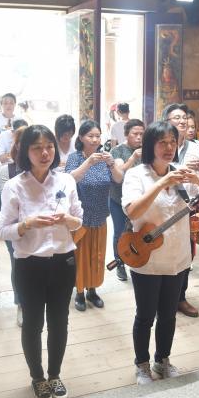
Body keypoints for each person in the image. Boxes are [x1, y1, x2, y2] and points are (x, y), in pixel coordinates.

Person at [123, 121, 199, 384]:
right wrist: (161, 182)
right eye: (162, 142)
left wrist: (197, 178)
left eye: (172, 142)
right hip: (147, 260)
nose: (169, 147)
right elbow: (132, 211)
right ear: (150, 146)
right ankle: (142, 364)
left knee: (167, 315)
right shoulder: (137, 175)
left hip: (177, 258)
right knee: (145, 315)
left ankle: (162, 359)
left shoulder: (180, 173)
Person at [0, 125, 83, 398]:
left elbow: (79, 221)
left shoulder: (66, 181)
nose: (45, 152)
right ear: (26, 152)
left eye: (49, 146)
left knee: (59, 321)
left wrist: (66, 220)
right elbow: (4, 230)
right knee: (33, 323)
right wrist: (27, 224)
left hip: (64, 260)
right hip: (29, 264)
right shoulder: (14, 186)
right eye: (37, 147)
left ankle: (55, 374)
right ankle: (37, 377)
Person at [65, 120, 123, 311]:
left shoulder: (105, 157)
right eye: (90, 136)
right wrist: (88, 162)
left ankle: (92, 289)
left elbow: (118, 179)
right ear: (81, 138)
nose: (95, 139)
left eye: (98, 136)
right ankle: (80, 292)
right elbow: (69, 179)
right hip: (80, 217)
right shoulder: (75, 158)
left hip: (100, 215)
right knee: (80, 256)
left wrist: (112, 163)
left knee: (97, 255)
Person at [164, 103, 199, 318]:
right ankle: (160, 299)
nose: (182, 121)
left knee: (187, 256)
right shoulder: (160, 145)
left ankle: (180, 298)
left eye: (184, 117)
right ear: (167, 122)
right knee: (163, 254)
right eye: (176, 118)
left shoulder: (194, 147)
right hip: (164, 211)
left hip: (189, 209)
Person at [0, 126, 28, 327]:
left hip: (40, 229)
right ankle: (21, 304)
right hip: (14, 226)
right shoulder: (6, 170)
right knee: (18, 264)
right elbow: (10, 203)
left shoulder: (47, 171)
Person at [109, 119, 144, 281]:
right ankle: (119, 263)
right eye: (135, 134)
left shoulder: (147, 151)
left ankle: (135, 258)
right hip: (118, 199)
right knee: (120, 232)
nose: (139, 137)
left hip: (139, 200)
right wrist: (133, 158)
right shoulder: (117, 151)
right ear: (126, 135)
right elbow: (118, 174)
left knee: (137, 231)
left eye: (142, 134)